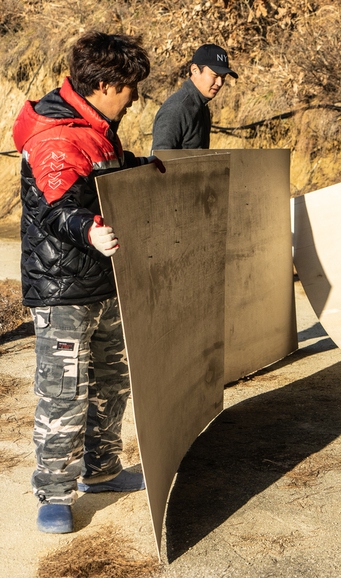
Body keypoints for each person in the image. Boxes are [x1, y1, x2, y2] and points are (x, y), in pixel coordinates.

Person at [12, 30, 164, 534]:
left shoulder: (96, 123)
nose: (135, 96)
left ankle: (101, 470)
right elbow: (58, 208)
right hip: (63, 289)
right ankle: (54, 491)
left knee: (111, 380)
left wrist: (139, 169)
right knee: (65, 390)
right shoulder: (57, 135)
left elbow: (102, 176)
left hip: (102, 279)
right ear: (102, 84)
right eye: (128, 87)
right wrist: (89, 229)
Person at [151, 43, 239, 150]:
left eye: (223, 77)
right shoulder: (177, 109)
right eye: (215, 75)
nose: (220, 83)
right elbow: (159, 159)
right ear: (195, 70)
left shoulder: (202, 105)